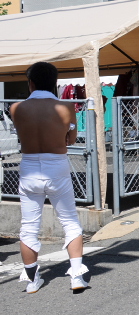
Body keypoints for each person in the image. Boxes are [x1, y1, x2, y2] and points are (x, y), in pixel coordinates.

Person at [9, 62, 89, 293]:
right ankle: (76, 276)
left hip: (29, 167)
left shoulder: (16, 108)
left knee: (28, 227)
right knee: (70, 221)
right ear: (54, 83)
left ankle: (32, 281)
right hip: (57, 166)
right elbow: (71, 139)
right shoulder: (66, 107)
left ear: (31, 82)